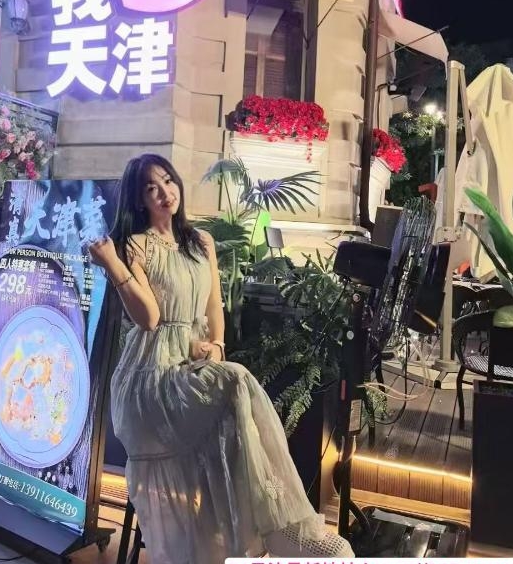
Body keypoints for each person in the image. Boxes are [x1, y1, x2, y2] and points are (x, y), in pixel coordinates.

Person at [89, 153, 353, 564]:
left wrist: (216, 344)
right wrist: (112, 265)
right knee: (237, 381)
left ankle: (256, 531)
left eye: (168, 181)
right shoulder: (135, 245)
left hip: (191, 365)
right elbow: (150, 318)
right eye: (151, 188)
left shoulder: (201, 242)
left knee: (234, 402)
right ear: (139, 200)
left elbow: (214, 307)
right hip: (150, 378)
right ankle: (278, 530)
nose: (164, 193)